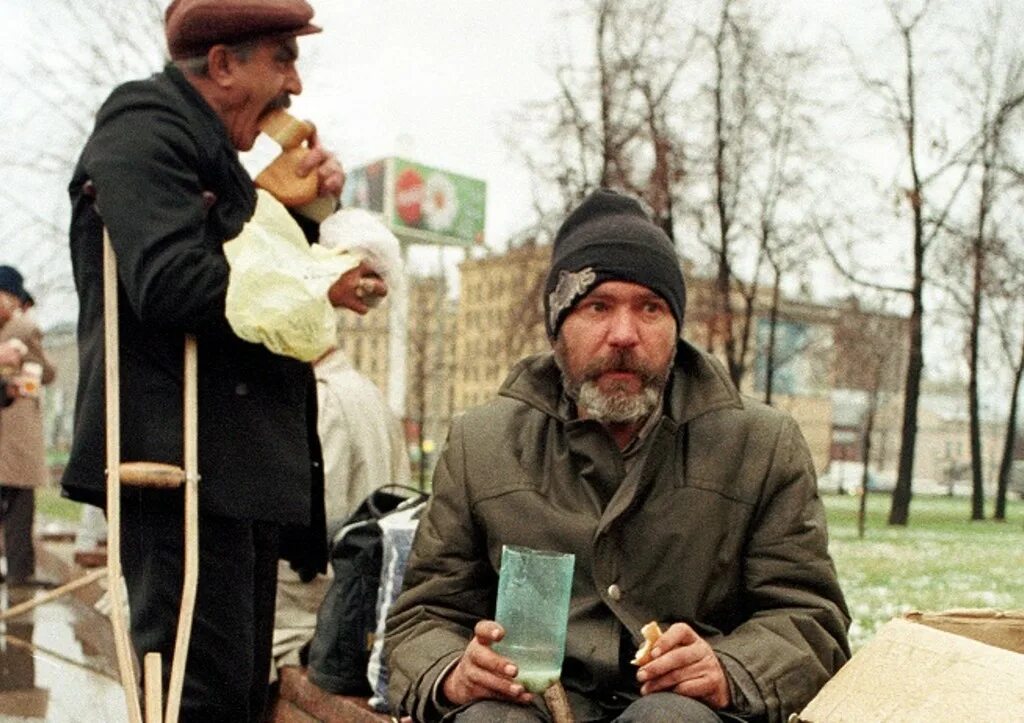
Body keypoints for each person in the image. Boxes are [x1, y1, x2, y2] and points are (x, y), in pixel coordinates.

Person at [384, 189, 850, 723]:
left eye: (650, 308)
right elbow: (422, 617)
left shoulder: (759, 444)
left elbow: (810, 617)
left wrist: (730, 668)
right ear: (558, 327)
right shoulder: (482, 443)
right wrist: (452, 670)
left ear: (676, 327)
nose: (624, 335)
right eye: (597, 307)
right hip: (530, 706)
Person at [62, 1, 385, 720]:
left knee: (235, 697)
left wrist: (299, 216)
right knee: (195, 697)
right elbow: (172, 279)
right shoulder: (144, 128)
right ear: (222, 64)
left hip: (230, 483)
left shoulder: (217, 157)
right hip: (181, 476)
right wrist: (315, 279)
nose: (295, 86)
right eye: (283, 58)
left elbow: (242, 285)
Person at [0, 266, 57, 588]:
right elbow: (46, 373)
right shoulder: (23, 328)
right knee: (20, 502)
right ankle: (21, 571)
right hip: (17, 425)